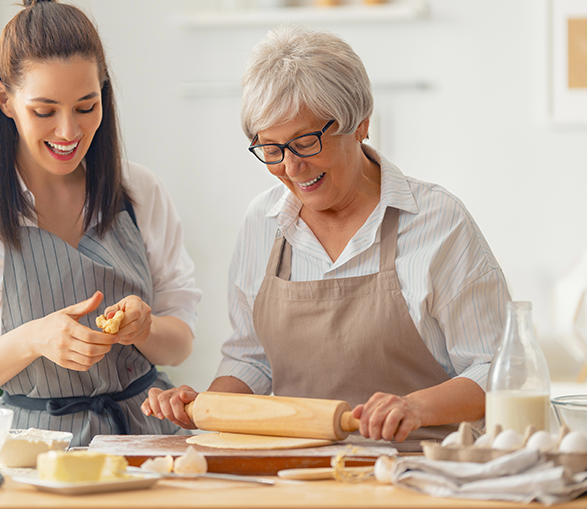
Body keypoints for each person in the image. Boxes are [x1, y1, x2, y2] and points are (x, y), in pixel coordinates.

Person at [142, 25, 509, 443]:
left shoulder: (438, 222)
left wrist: (414, 408)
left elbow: (498, 368)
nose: (292, 168)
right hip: (303, 474)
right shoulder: (261, 223)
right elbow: (253, 359)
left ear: (360, 123)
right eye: (272, 150)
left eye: (306, 142)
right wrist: (205, 407)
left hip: (423, 471)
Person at [0, 0, 201, 446]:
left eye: (86, 106)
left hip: (149, 438)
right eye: (45, 111)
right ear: (5, 100)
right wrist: (33, 340)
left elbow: (181, 342)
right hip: (35, 452)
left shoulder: (138, 191)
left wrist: (146, 329)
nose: (69, 130)